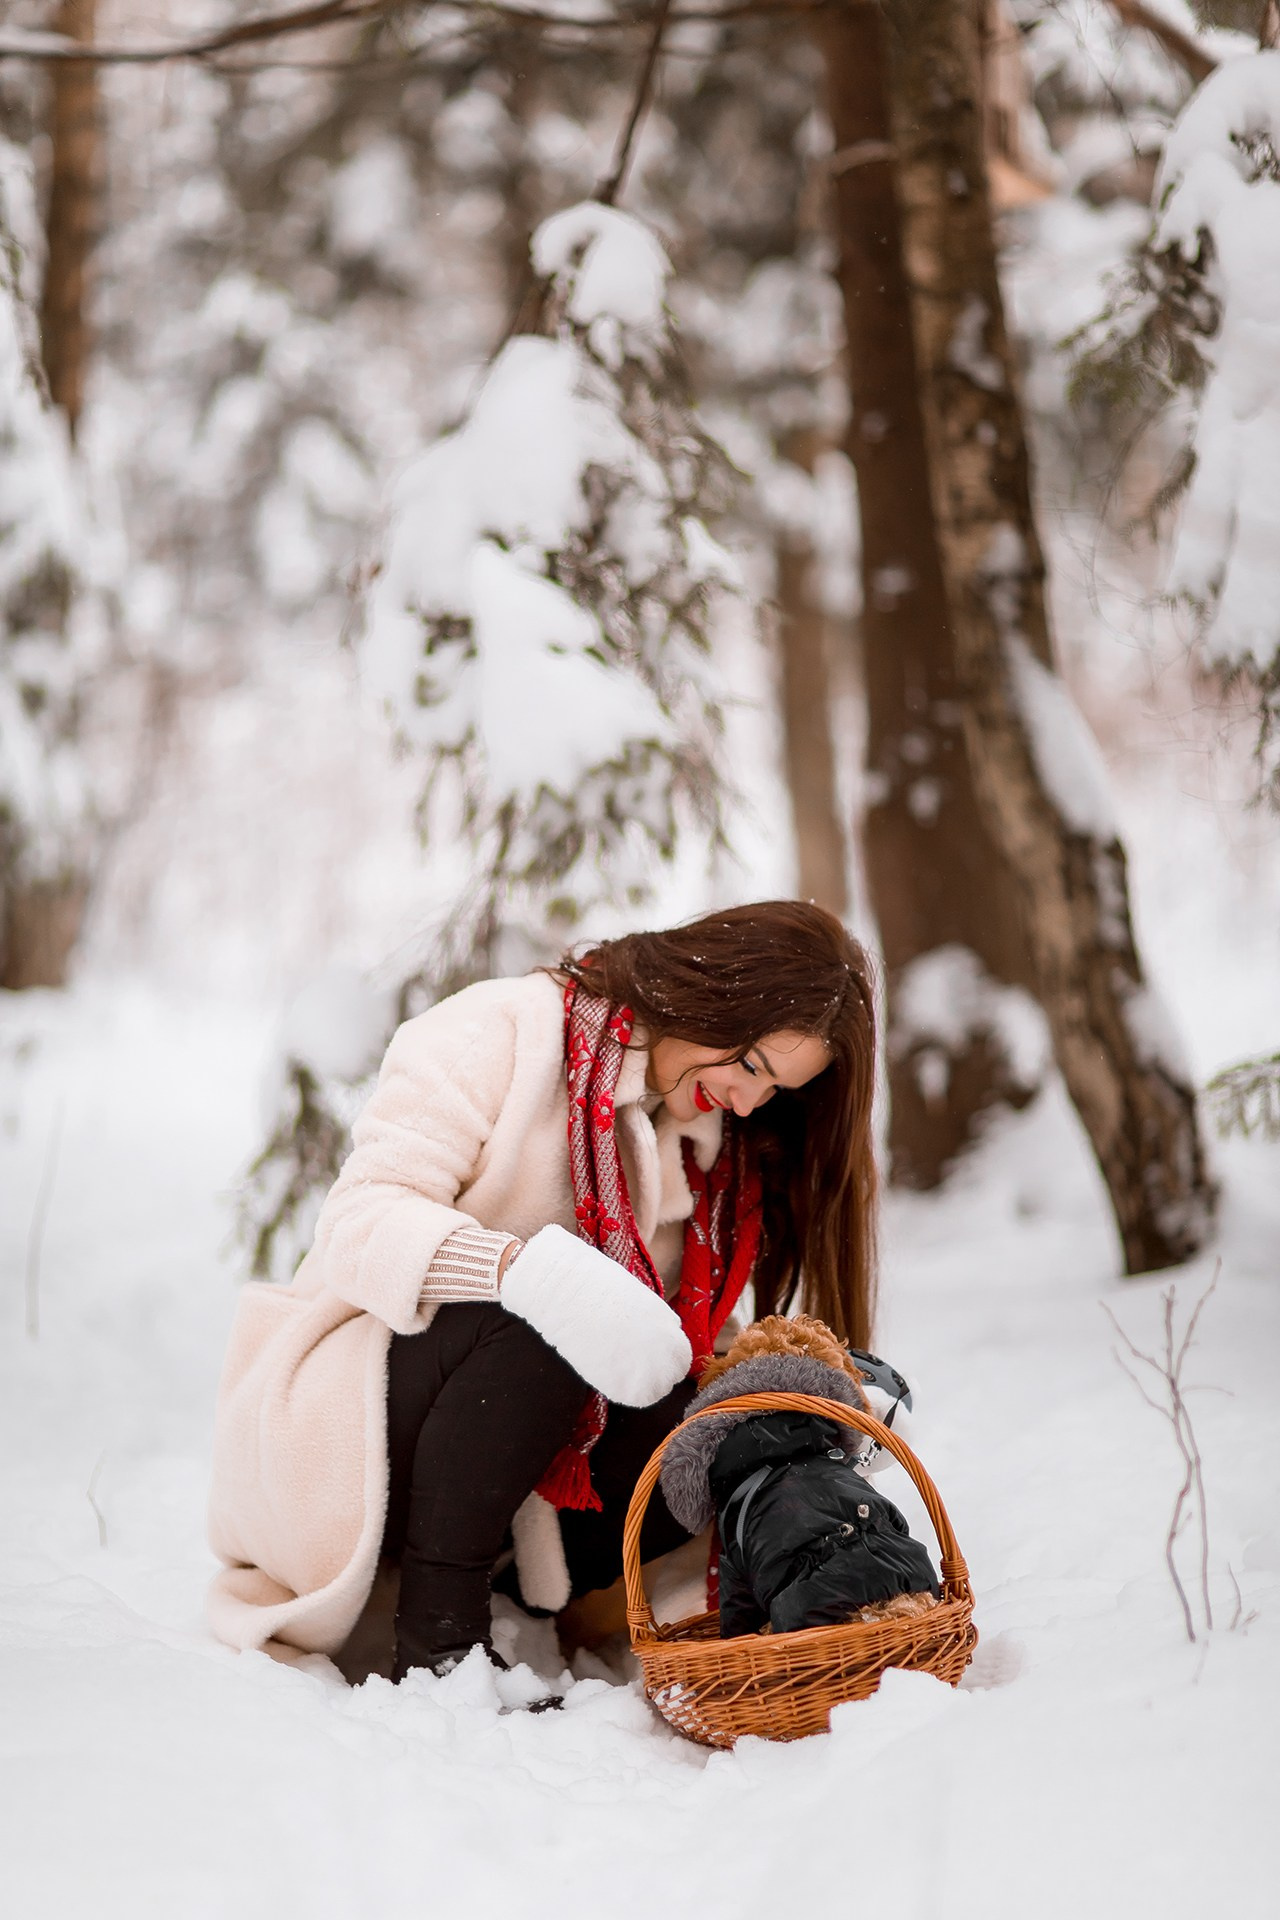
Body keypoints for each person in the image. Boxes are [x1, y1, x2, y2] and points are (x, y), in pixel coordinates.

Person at [207, 900, 878, 1688]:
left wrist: (807, 1406)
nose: (748, 1102)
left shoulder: (703, 1149)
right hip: (346, 1428)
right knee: (550, 1316)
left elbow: (661, 1341)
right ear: (714, 995)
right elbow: (360, 1224)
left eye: (776, 1091)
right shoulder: (500, 1030)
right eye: (754, 1066)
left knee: (721, 1419)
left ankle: (511, 1602)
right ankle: (440, 1646)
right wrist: (533, 1277)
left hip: (508, 1467)